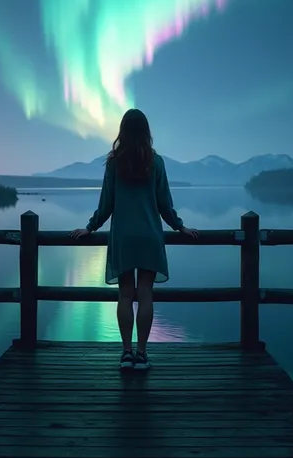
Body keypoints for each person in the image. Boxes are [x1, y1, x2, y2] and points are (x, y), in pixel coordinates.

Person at [70, 109, 198, 370]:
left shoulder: (114, 163)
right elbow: (165, 204)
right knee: (146, 295)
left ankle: (126, 353)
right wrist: (180, 227)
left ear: (122, 131)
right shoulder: (156, 162)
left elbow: (106, 203)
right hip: (150, 235)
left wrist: (90, 227)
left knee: (125, 295)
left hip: (124, 237)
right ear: (146, 132)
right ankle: (142, 353)